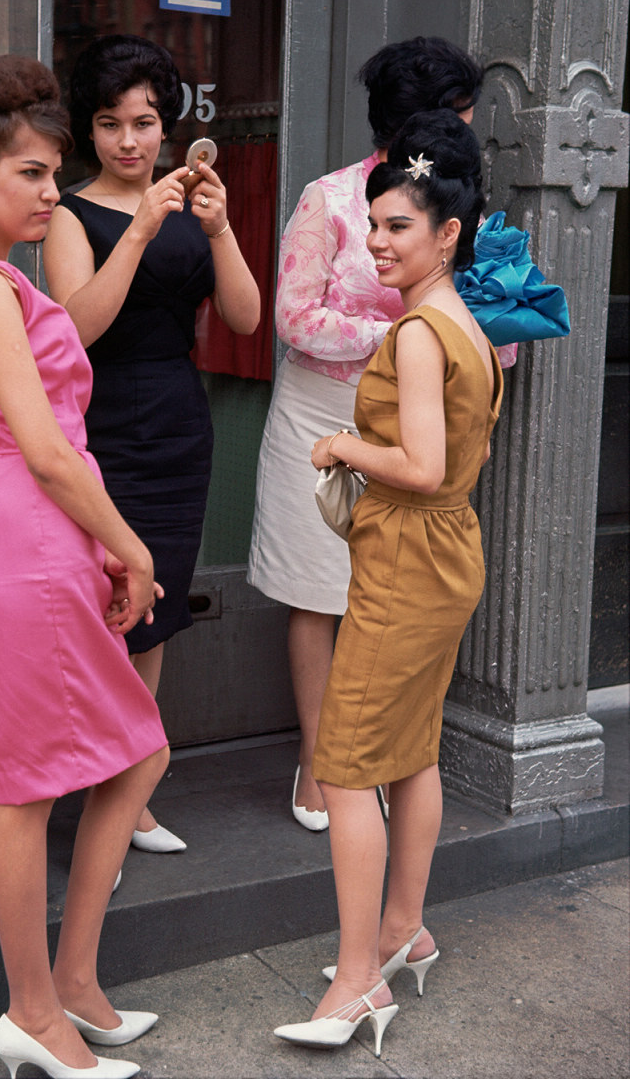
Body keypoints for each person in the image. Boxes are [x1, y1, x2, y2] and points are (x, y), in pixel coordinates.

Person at [0, 54, 171, 1079]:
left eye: (52, 174)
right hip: (29, 537)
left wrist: (102, 544)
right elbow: (47, 451)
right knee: (27, 787)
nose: (48, 193)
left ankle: (71, 984)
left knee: (135, 755)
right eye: (29, 173)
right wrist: (132, 546)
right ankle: (33, 1009)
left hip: (41, 535)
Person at [273, 108, 503, 1057]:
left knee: (344, 765)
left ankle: (359, 978)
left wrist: (339, 445)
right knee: (412, 750)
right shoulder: (466, 326)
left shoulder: (416, 333)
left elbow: (418, 464)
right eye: (372, 222)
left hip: (409, 552)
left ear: (448, 233)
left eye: (397, 224)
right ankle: (404, 928)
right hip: (446, 551)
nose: (376, 240)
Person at [247, 36, 515, 830]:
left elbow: (478, 327)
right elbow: (294, 318)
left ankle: (386, 762)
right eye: (460, 113)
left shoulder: (456, 206)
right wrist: (402, 337)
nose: (470, 127)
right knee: (317, 593)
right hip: (323, 412)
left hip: (418, 424)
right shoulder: (330, 200)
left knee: (391, 599)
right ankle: (319, 763)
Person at [43, 35, 260, 852]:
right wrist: (138, 229)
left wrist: (222, 228)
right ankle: (102, 790)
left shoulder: (192, 206)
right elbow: (76, 329)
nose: (128, 141)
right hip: (102, 430)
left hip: (178, 423)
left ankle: (131, 794)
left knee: (157, 613)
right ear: (88, 129)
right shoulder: (70, 215)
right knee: (106, 610)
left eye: (142, 122)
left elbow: (245, 318)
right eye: (109, 123)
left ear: (167, 123)